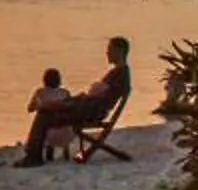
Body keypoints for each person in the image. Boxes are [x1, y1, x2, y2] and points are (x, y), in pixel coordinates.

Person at [16, 37, 131, 167]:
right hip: (87, 107)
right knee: (48, 110)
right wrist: (78, 99)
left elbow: (101, 100)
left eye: (110, 49)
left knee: (45, 113)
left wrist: (77, 101)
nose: (107, 53)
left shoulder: (120, 74)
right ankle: (33, 155)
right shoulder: (118, 73)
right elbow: (100, 95)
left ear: (119, 51)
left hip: (89, 111)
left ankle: (33, 156)